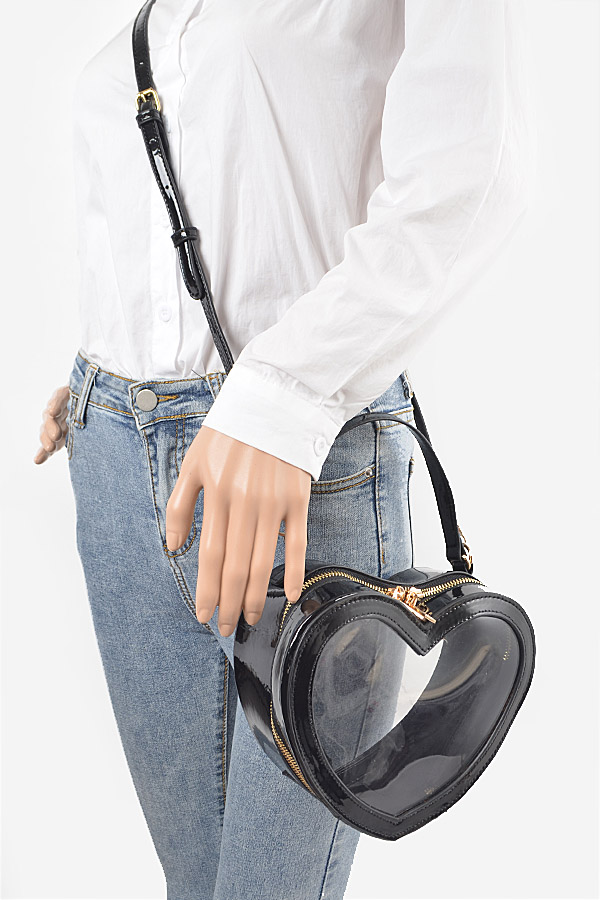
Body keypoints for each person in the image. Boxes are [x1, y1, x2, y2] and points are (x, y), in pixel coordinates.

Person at [33, 1, 534, 897]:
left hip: (304, 457)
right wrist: (121, 365)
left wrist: (281, 393)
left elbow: (470, 173)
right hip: (113, 453)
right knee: (196, 886)